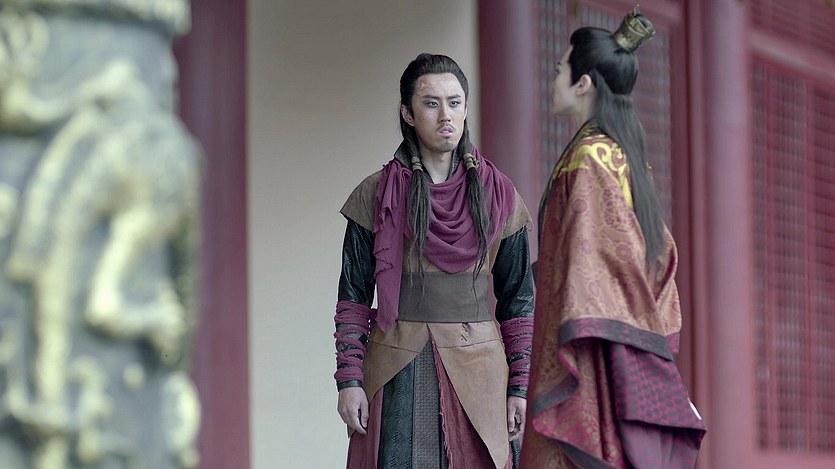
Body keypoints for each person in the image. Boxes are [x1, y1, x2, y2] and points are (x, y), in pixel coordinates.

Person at [520, 8, 707, 469]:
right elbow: (657, 260)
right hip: (615, 340)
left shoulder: (589, 158)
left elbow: (590, 263)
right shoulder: (625, 157)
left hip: (590, 348)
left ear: (583, 84)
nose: (554, 80)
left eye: (560, 70)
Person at [333, 53, 534, 468]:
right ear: (407, 113)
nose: (446, 115)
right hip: (397, 361)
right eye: (431, 103)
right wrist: (349, 379)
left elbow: (519, 301)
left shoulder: (499, 195)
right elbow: (353, 295)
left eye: (455, 102)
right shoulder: (377, 194)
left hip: (481, 365)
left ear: (466, 108)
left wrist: (520, 383)